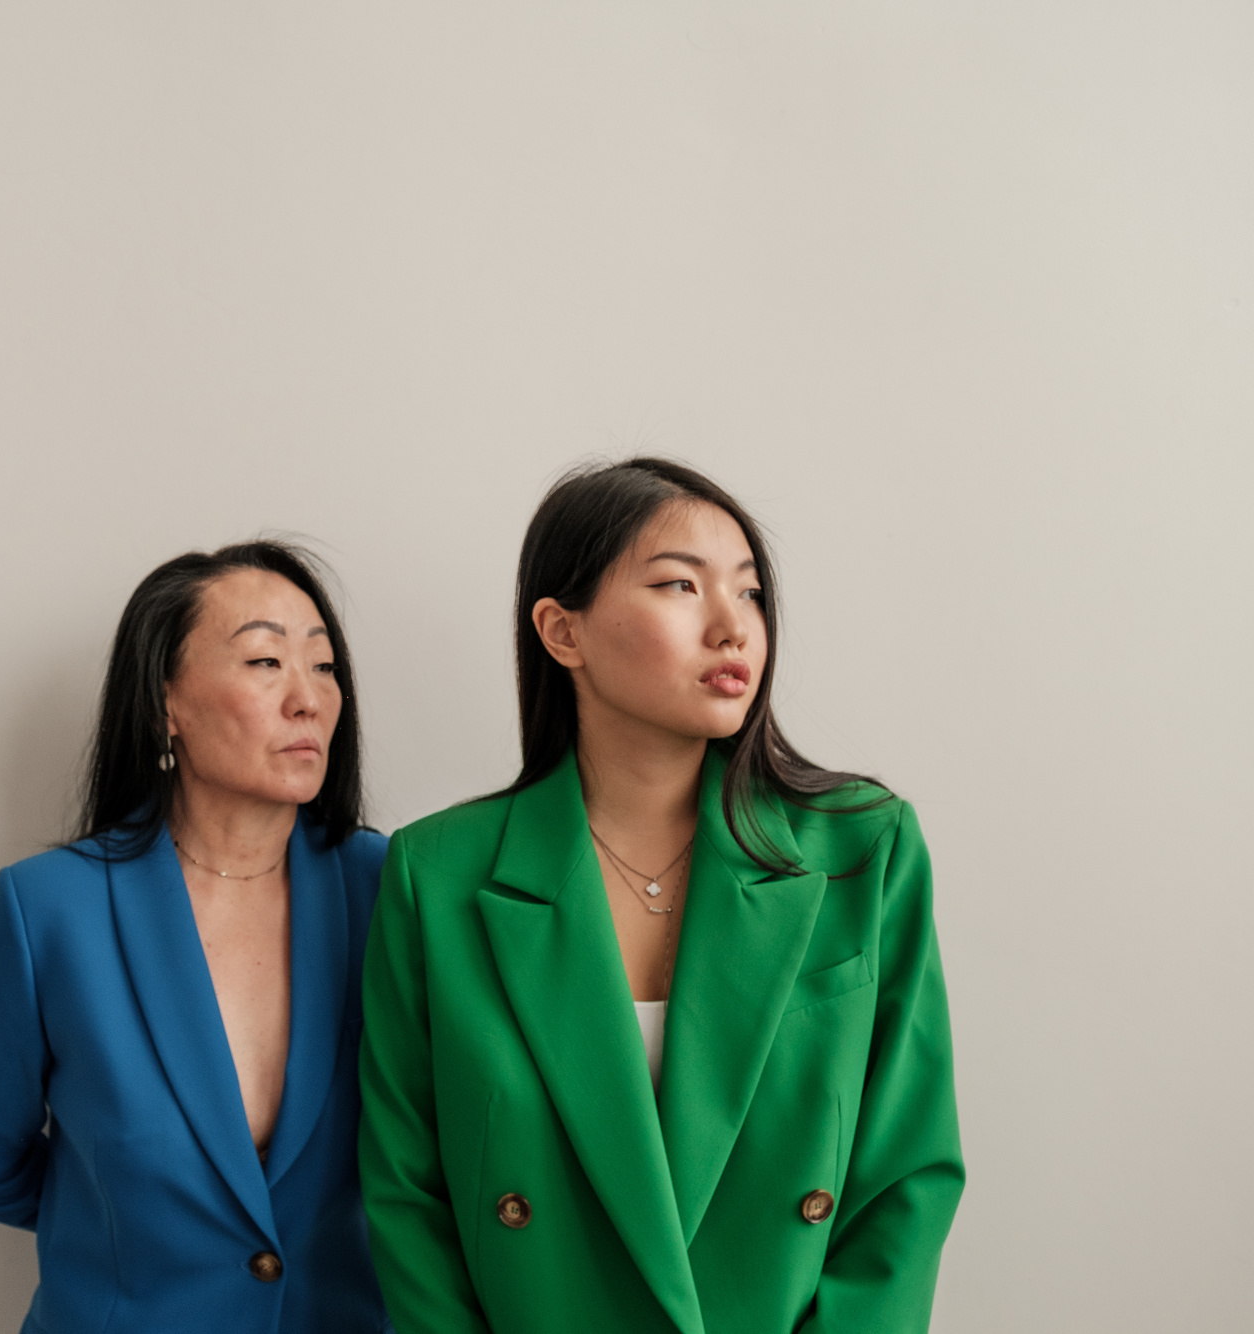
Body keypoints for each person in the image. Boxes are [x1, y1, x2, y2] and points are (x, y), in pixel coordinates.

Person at [359, 459, 963, 1334]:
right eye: (681, 585)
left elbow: (907, 1176)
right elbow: (407, 1198)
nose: (734, 627)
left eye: (751, 593)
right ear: (562, 632)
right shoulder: (437, 875)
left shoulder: (862, 849)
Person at [0, 541, 390, 1334]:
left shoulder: (388, 889)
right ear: (165, 703)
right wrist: (119, 1224)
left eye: (324, 664)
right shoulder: (51, 909)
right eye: (266, 662)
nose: (308, 698)